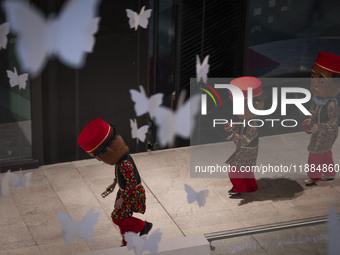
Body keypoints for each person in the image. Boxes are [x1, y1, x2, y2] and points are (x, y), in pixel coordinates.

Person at [77, 118, 152, 246]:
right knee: (121, 217)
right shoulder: (121, 161)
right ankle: (128, 241)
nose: (100, 160)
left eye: (99, 156)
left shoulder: (124, 164)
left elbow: (131, 184)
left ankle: (143, 226)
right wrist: (113, 184)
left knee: (118, 217)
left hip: (130, 194)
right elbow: (122, 176)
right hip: (125, 193)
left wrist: (122, 198)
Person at [302, 52, 340, 186]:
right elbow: (315, 114)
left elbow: (333, 123)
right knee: (324, 151)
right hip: (319, 130)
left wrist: (320, 127)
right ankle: (329, 173)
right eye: (313, 76)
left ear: (337, 88)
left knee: (315, 152)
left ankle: (314, 176)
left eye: (322, 80)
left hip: (327, 132)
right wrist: (311, 120)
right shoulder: (316, 99)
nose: (315, 83)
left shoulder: (331, 105)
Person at [224, 76, 264, 196]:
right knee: (247, 169)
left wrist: (233, 135)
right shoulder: (248, 121)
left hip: (247, 150)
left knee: (235, 170)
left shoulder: (253, 124)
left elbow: (245, 140)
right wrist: (234, 127)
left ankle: (239, 188)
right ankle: (251, 186)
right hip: (249, 150)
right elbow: (242, 127)